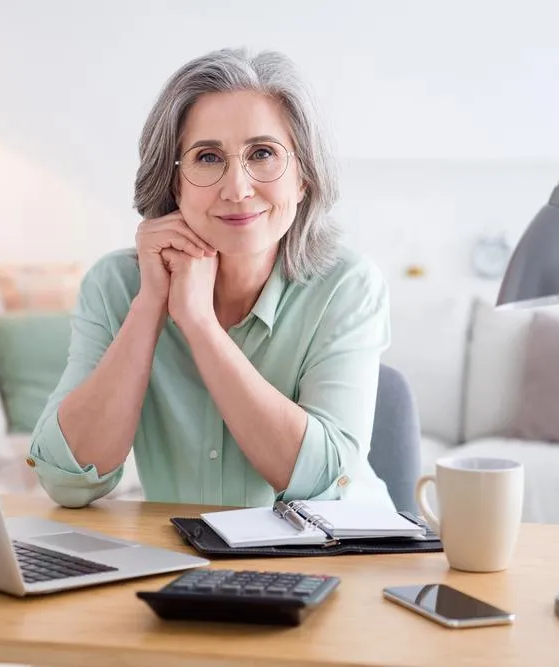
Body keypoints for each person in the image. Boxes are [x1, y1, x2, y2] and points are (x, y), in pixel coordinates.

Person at [27, 47, 394, 511]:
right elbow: (65, 481)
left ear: (303, 177)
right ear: (173, 181)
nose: (237, 188)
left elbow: (323, 482)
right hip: (183, 566)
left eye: (262, 154)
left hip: (338, 558)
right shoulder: (115, 285)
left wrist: (199, 325)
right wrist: (150, 305)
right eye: (206, 157)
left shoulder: (347, 285)